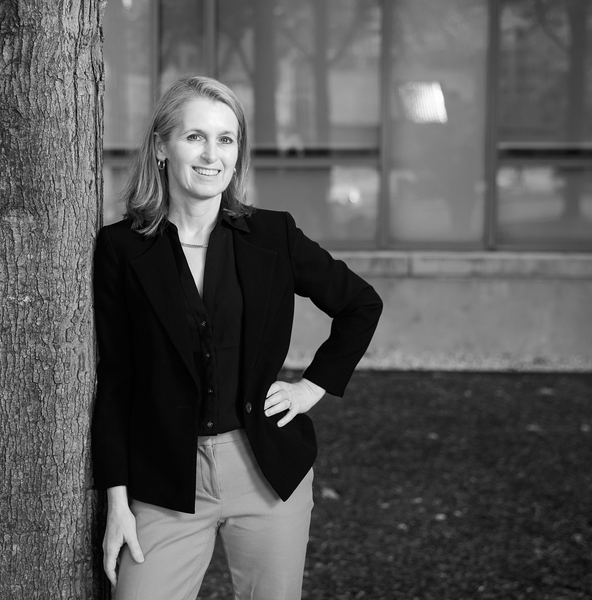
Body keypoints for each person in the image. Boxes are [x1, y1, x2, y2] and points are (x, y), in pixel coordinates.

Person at [92, 75, 383, 599]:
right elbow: (116, 380)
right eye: (194, 137)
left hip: (267, 474)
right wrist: (117, 503)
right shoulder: (121, 249)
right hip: (164, 482)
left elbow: (362, 304)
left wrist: (311, 388)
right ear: (161, 146)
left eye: (226, 139)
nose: (212, 154)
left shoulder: (273, 236)